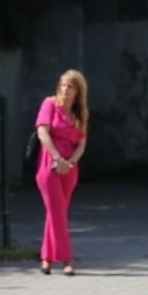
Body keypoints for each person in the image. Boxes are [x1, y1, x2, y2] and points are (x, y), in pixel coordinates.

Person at [34, 70, 88, 276]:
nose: (65, 89)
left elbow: (82, 143)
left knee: (57, 213)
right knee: (57, 212)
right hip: (49, 164)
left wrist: (70, 162)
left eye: (70, 86)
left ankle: (46, 258)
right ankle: (67, 259)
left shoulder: (79, 114)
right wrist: (57, 159)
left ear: (78, 92)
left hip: (70, 168)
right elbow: (42, 133)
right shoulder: (49, 104)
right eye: (63, 85)